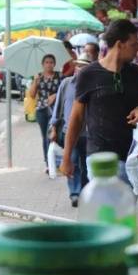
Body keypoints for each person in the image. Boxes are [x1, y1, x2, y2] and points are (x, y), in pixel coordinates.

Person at [61, 19, 138, 183]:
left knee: (125, 207)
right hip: (99, 156)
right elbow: (76, 118)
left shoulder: (135, 73)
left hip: (130, 156)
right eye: (133, 44)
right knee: (107, 207)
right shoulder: (88, 74)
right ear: (119, 44)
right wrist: (67, 157)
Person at [50, 53, 92, 206]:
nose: (81, 69)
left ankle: (86, 192)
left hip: (89, 132)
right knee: (72, 161)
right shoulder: (66, 84)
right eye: (79, 66)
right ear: (75, 67)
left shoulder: (93, 85)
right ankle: (74, 193)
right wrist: (53, 127)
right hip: (69, 132)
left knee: (87, 164)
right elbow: (58, 107)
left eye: (85, 66)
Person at [29, 55, 61, 167]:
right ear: (43, 64)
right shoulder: (38, 77)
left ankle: (55, 160)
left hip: (56, 110)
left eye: (51, 62)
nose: (49, 64)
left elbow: (64, 91)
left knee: (53, 135)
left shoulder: (60, 76)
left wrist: (55, 95)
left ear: (54, 64)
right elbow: (32, 95)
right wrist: (35, 82)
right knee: (45, 136)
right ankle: (48, 162)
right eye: (46, 62)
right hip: (41, 110)